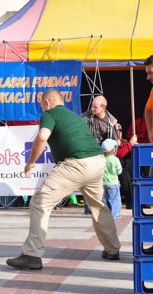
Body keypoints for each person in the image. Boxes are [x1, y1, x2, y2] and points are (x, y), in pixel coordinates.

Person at [6, 89, 121, 270]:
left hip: (77, 163)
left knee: (39, 202)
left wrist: (30, 163)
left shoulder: (50, 113)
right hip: (97, 162)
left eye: (42, 105)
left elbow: (43, 136)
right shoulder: (75, 116)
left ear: (48, 103)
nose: (42, 108)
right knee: (98, 206)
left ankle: (32, 255)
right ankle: (113, 249)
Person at [116, 123, 137, 209]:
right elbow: (119, 154)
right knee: (125, 176)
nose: (119, 132)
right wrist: (130, 144)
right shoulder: (112, 141)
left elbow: (129, 153)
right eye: (117, 130)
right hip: (116, 167)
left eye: (120, 130)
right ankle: (130, 202)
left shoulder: (124, 141)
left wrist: (134, 146)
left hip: (126, 165)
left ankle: (139, 200)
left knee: (135, 173)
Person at [101, 139, 122, 219]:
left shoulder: (101, 159)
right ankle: (115, 215)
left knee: (105, 199)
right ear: (113, 149)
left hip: (103, 183)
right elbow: (119, 171)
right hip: (113, 182)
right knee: (115, 200)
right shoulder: (115, 159)